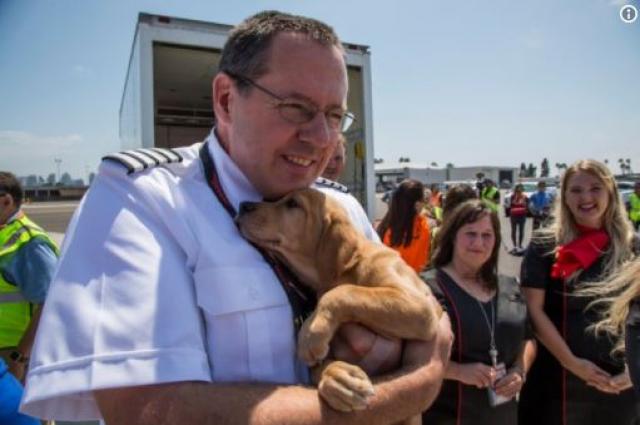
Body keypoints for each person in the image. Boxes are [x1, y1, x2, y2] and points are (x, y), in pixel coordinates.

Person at [21, 11, 452, 424]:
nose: (321, 137)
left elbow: (418, 310)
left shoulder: (340, 208)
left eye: (334, 115)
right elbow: (148, 413)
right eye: (296, 107)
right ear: (227, 100)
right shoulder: (140, 201)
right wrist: (410, 390)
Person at [519, 159, 637, 425]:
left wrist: (633, 371)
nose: (586, 197)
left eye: (595, 188)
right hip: (557, 381)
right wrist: (571, 362)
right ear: (564, 197)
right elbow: (533, 310)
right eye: (576, 190)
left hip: (622, 383)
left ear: (611, 192)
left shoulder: (633, 246)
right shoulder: (544, 245)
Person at [422, 199, 536, 425]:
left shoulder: (510, 286)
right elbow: (408, 355)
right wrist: (457, 372)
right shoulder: (427, 288)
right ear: (452, 236)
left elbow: (528, 339)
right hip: (446, 414)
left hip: (502, 415)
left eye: (487, 235)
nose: (479, 243)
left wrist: (520, 371)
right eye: (470, 233)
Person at [0, 172, 58, 425]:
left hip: (17, 356)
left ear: (5, 201)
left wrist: (20, 358)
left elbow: (51, 304)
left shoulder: (30, 243)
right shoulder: (5, 233)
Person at [377, 179, 431, 273]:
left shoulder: (383, 228)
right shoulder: (423, 229)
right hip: (414, 284)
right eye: (423, 201)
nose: (424, 205)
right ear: (417, 205)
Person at [508, 183, 529, 254]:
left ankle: (520, 245)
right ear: (516, 189)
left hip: (522, 216)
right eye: (518, 188)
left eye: (521, 188)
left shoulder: (525, 197)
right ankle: (514, 246)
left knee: (521, 231)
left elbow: (527, 206)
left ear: (522, 189)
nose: (519, 190)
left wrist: (525, 207)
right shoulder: (512, 196)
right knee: (513, 230)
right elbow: (510, 205)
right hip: (513, 215)